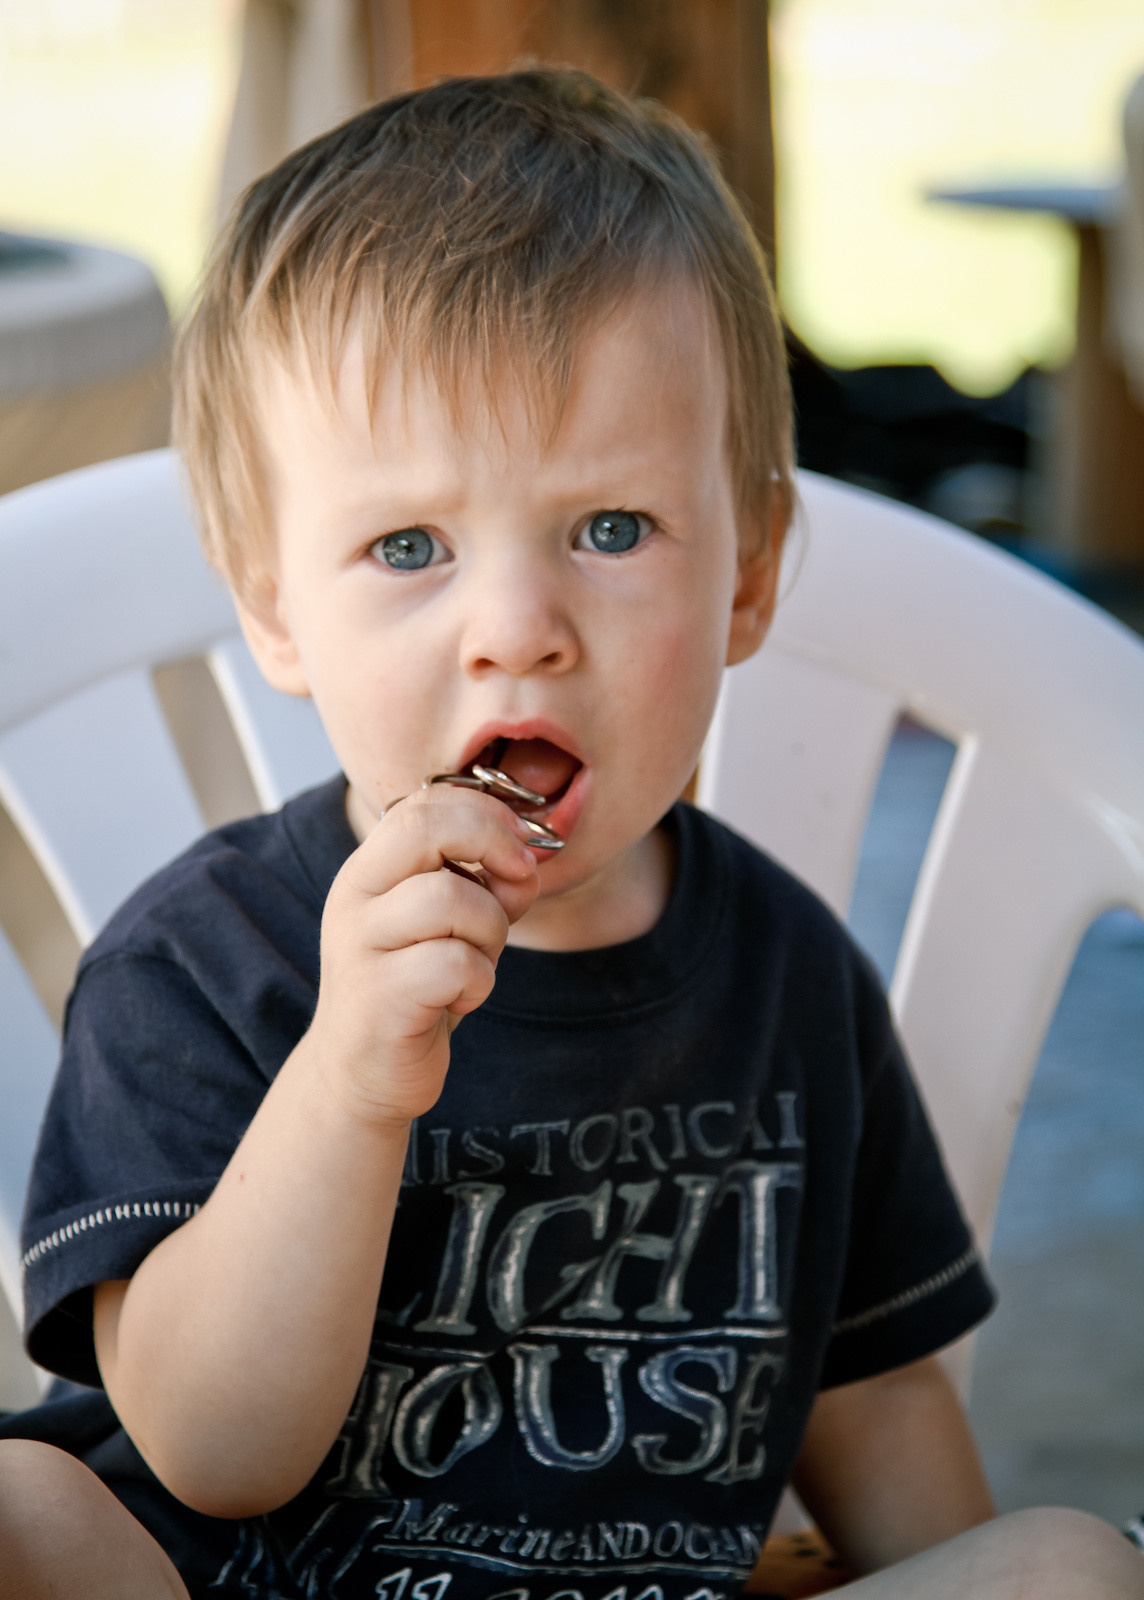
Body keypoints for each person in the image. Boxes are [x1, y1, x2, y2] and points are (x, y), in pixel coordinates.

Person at [0, 68, 1141, 1600]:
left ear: (747, 580)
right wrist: (348, 1079)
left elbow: (871, 1396)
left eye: (612, 531)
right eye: (409, 548)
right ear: (276, 607)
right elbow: (214, 1450)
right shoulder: (205, 965)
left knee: (1068, 1563)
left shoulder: (790, 980)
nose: (518, 632)